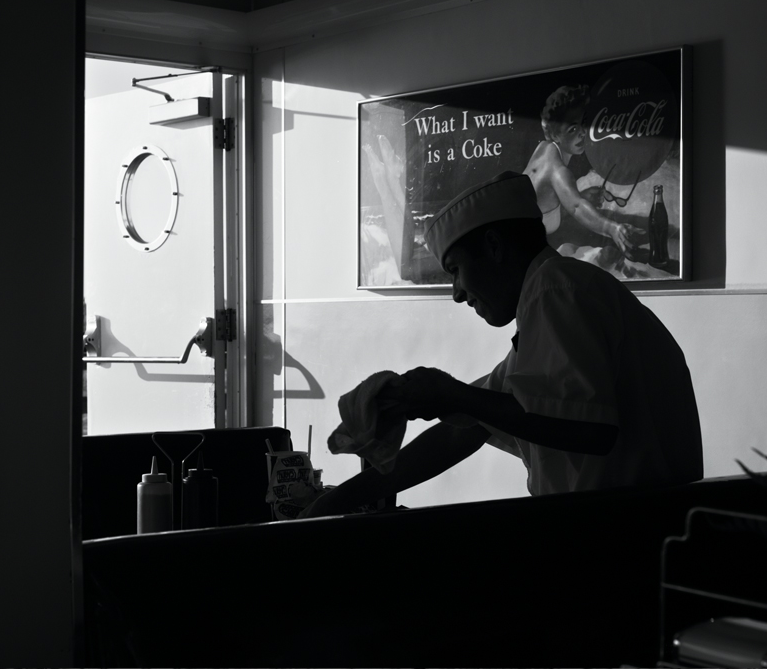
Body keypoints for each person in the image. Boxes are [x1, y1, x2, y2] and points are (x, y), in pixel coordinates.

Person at [300, 171, 702, 518]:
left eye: (456, 271)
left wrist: (451, 394)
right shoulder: (549, 301)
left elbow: (588, 430)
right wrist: (343, 498)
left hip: (631, 539)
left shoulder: (555, 289)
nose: (457, 293)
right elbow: (465, 430)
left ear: (494, 246)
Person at [523, 84, 639, 255]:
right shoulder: (559, 171)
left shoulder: (544, 149)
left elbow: (542, 207)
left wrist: (581, 196)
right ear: (555, 135)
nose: (582, 133)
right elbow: (576, 207)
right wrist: (611, 228)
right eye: (572, 129)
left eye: (584, 124)